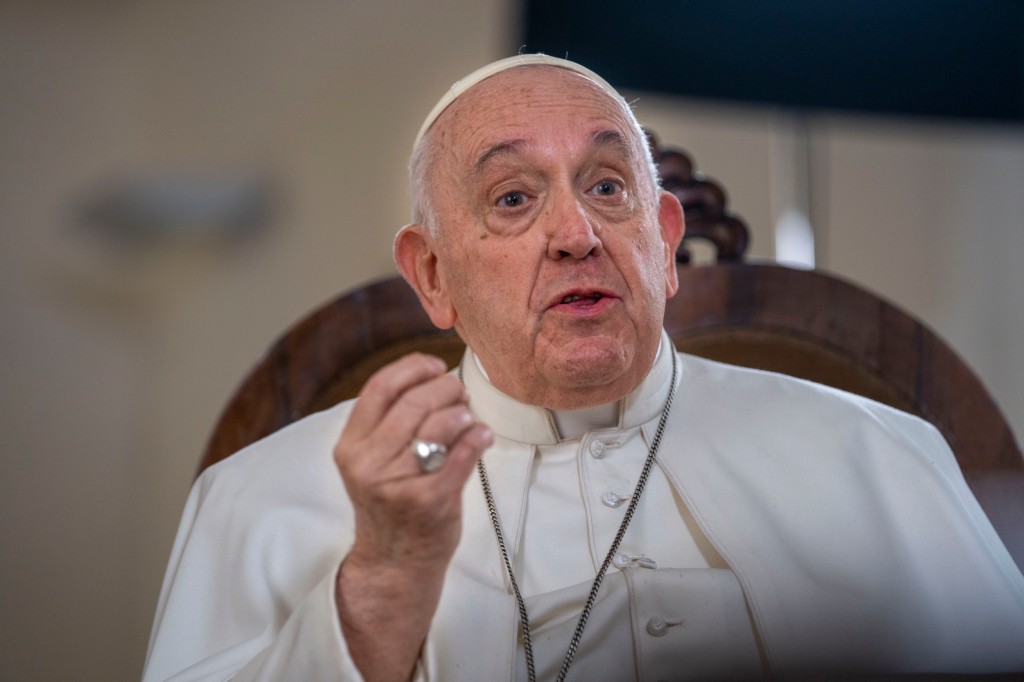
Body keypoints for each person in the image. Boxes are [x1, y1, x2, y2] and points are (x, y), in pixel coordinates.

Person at [142, 55, 1024, 682]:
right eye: (514, 198)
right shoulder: (257, 498)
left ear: (667, 245)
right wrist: (380, 582)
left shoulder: (874, 455)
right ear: (435, 277)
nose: (577, 234)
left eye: (607, 187)